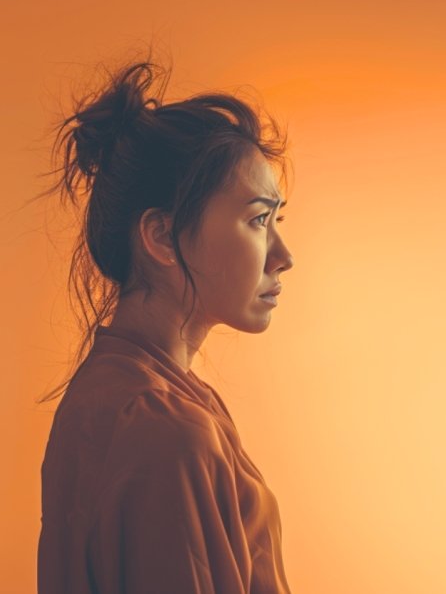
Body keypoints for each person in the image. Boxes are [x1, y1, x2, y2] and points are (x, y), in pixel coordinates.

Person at [37, 62, 295, 594]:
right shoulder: (163, 427)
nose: (282, 257)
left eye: (277, 222)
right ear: (159, 236)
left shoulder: (122, 392)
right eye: (256, 220)